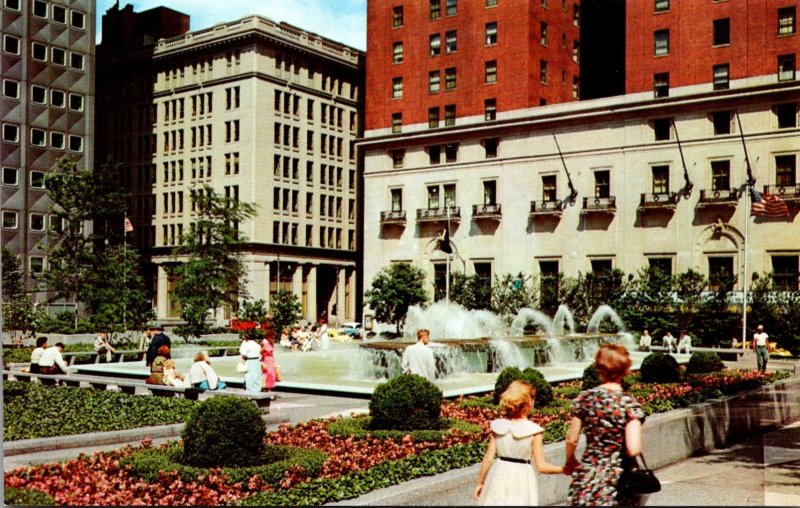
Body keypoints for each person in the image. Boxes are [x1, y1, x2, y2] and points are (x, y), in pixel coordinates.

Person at [564, 344, 646, 506]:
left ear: (599, 369)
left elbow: (571, 438)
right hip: (617, 480)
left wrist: (570, 459)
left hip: (588, 476)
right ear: (626, 370)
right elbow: (634, 448)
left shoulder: (584, 399)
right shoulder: (629, 404)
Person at [474, 380, 564, 505]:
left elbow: (488, 458)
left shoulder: (498, 426)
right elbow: (541, 466)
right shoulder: (533, 430)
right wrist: (564, 469)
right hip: (521, 478)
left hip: (498, 474)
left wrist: (480, 482)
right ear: (528, 403)